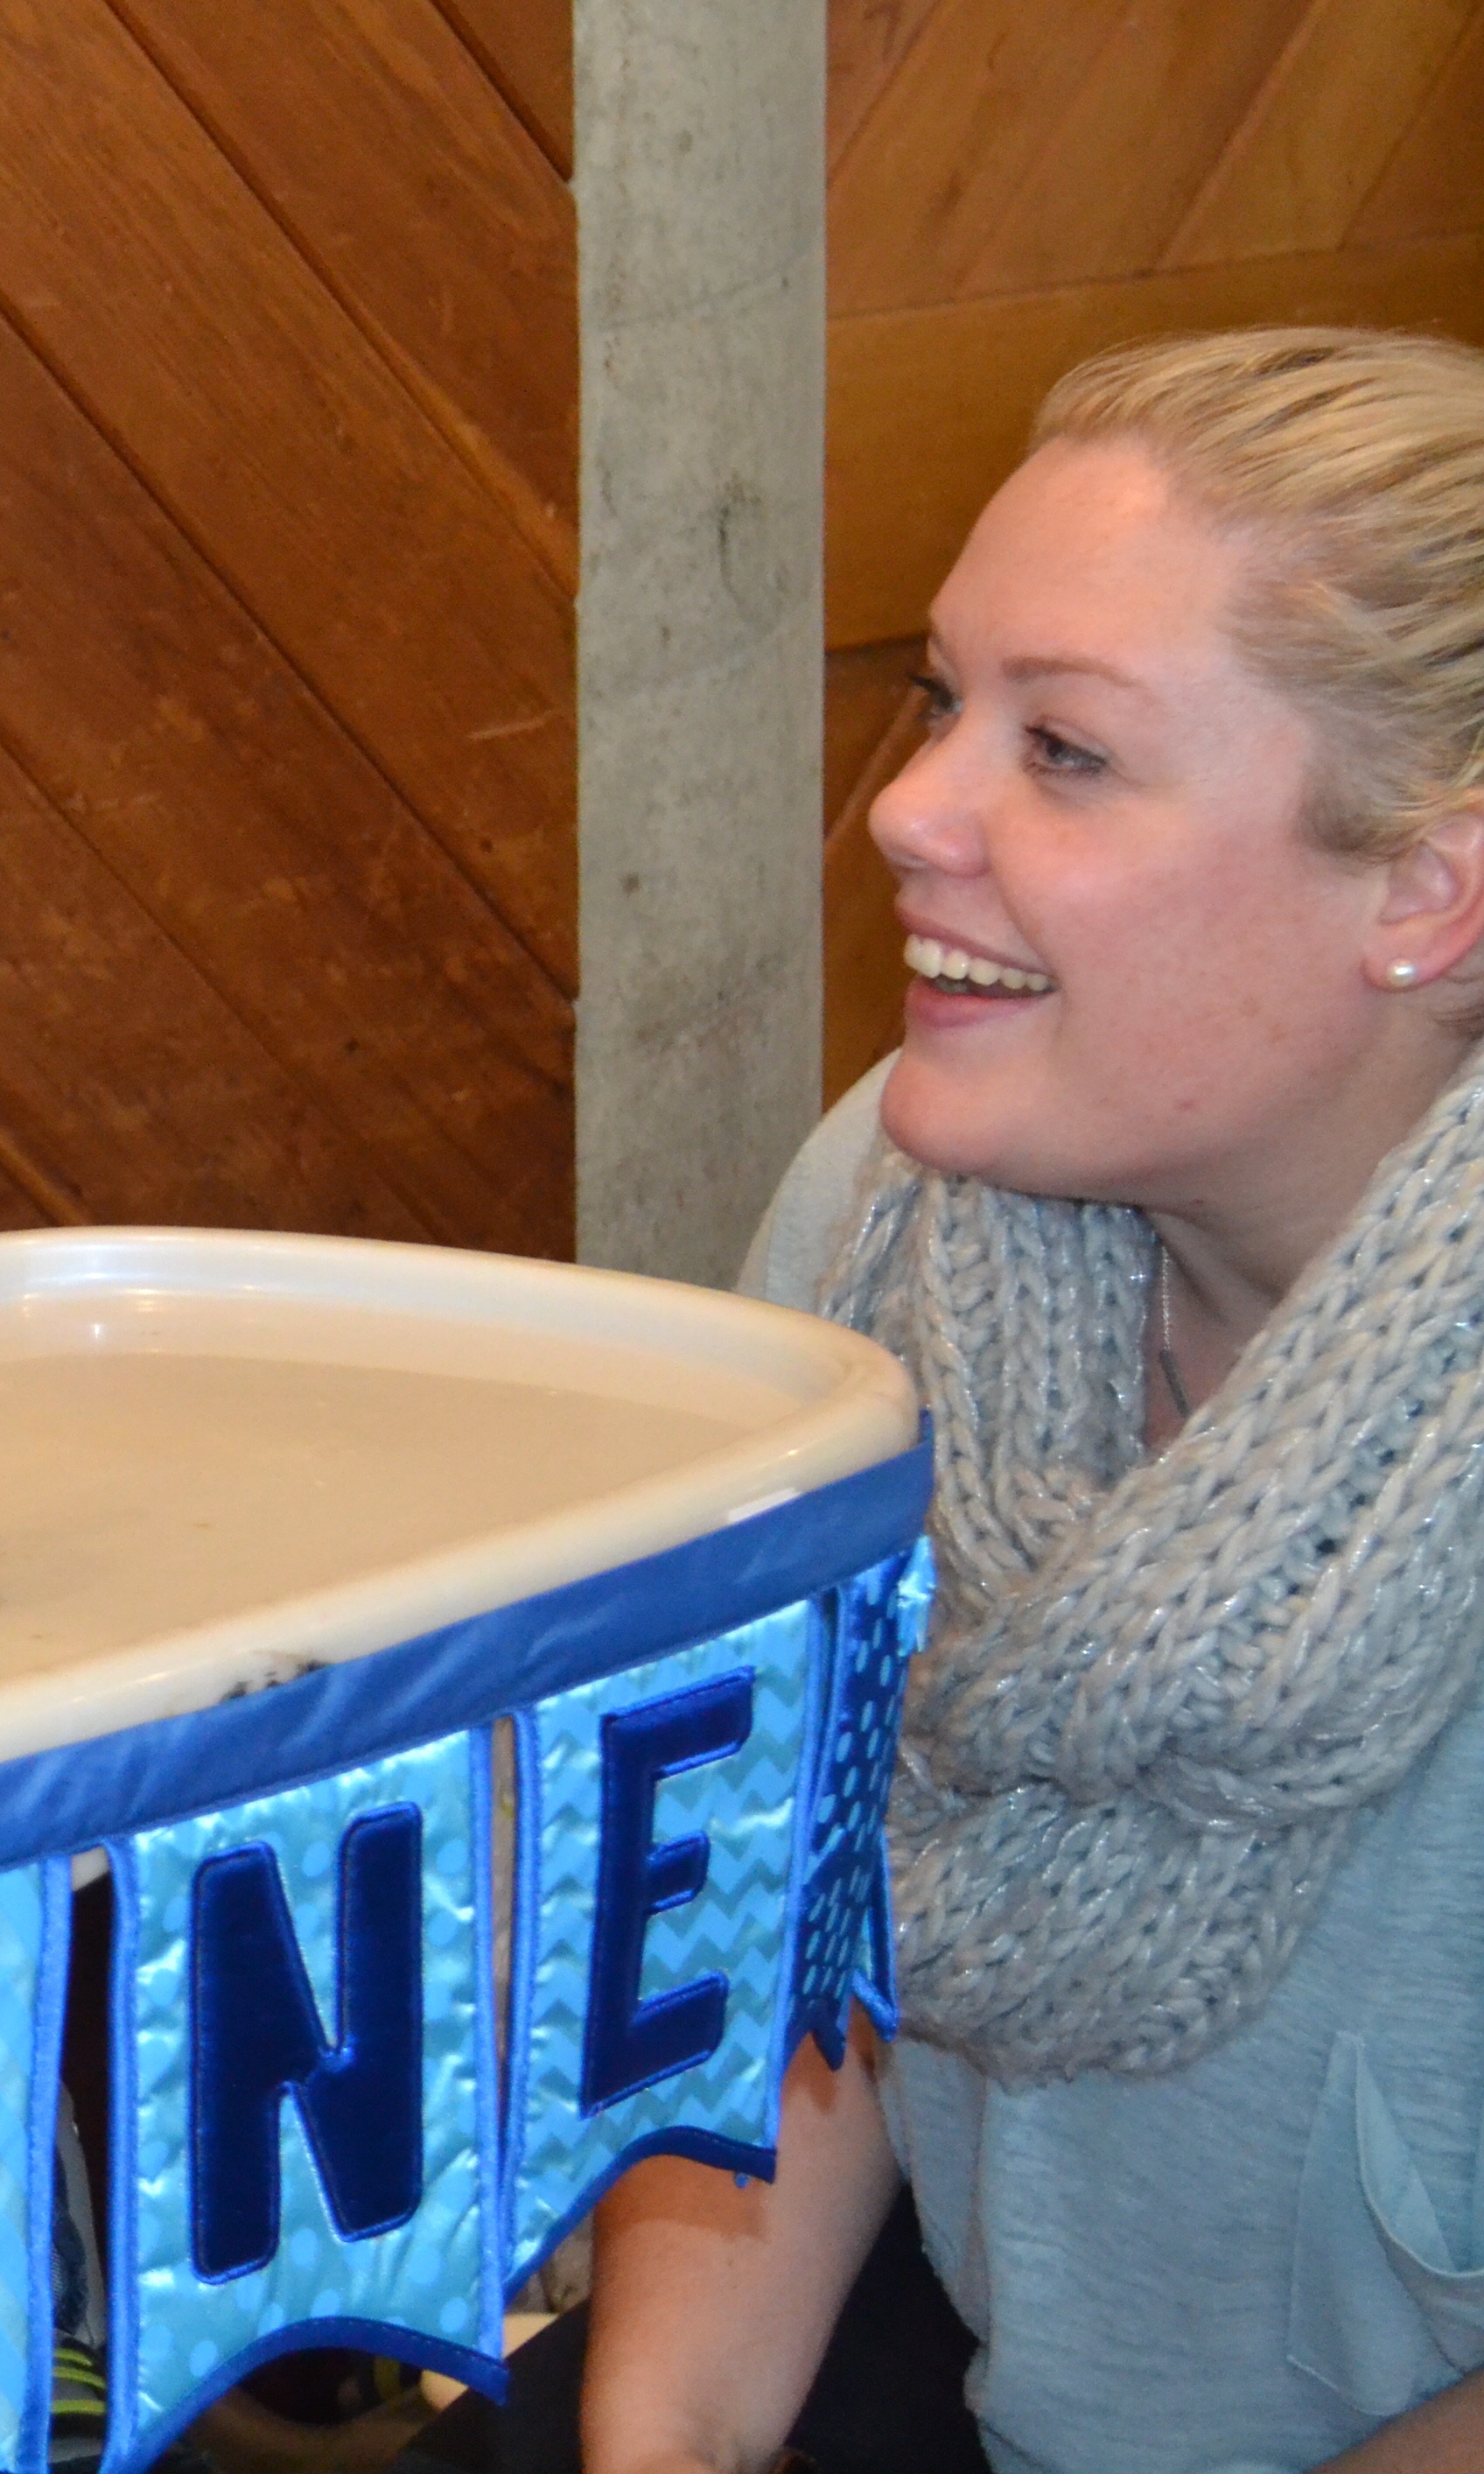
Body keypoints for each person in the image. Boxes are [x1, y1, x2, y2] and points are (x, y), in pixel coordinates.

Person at [466, 329, 1484, 2474]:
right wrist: (670, 2442)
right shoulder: (892, 1216)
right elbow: (779, 1924)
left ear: (1427, 892)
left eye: (1069, 751)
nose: (908, 809)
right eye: (945, 701)